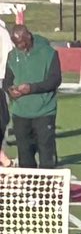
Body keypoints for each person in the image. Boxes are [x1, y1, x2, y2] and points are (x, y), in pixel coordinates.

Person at [4, 25, 61, 168]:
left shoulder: (49, 53)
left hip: (44, 111)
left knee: (46, 153)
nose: (19, 46)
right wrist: (10, 90)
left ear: (28, 36)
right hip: (20, 113)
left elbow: (55, 80)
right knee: (24, 155)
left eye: (21, 43)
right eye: (16, 44)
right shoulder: (12, 56)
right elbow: (7, 80)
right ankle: (28, 188)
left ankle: (49, 187)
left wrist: (32, 88)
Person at [0, 17, 13, 166]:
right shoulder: (3, 32)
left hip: (2, 78)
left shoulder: (2, 32)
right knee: (3, 119)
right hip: (3, 78)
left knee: (2, 119)